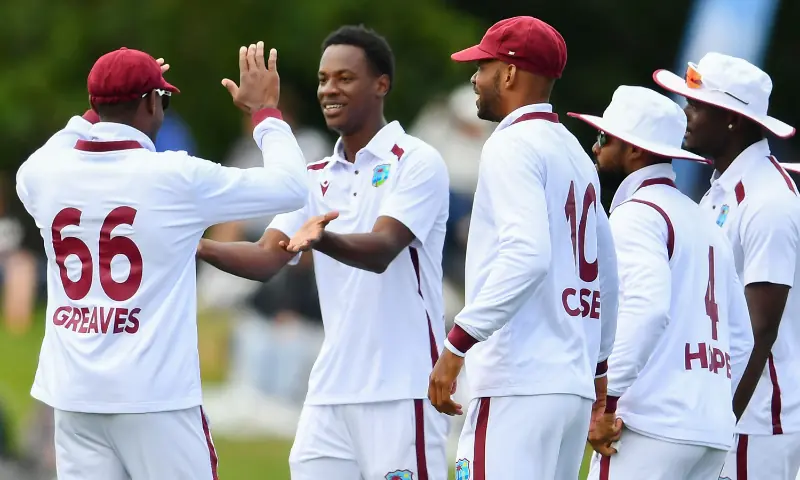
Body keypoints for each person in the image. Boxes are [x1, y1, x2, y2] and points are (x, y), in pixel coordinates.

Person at [15, 43, 308, 480]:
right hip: (155, 397)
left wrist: (106, 100)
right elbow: (291, 185)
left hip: (73, 396)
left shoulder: (42, 174)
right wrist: (265, 111)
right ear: (151, 103)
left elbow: (69, 136)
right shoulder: (175, 177)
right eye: (162, 98)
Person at [198, 25, 450, 479]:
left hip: (401, 390)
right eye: (322, 79)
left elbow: (382, 249)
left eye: (344, 78)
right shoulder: (314, 175)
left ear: (381, 84)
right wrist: (192, 244)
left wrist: (323, 239)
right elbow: (265, 257)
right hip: (329, 394)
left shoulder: (416, 161)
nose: (329, 89)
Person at [426, 16, 618, 479]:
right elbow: (608, 275)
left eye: (484, 66)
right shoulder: (575, 152)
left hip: (520, 379)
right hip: (569, 385)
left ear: (509, 73)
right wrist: (597, 370)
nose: (475, 79)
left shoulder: (510, 143)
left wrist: (457, 344)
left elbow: (526, 255)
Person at [569, 85, 755, 478]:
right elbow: (742, 340)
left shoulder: (637, 214)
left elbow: (647, 310)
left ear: (635, 150)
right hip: (711, 430)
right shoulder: (704, 219)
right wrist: (712, 405)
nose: (595, 148)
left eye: (605, 138)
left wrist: (608, 404)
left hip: (649, 427)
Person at [654, 51, 800, 480]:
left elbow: (761, 328)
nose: (686, 115)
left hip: (755, 421)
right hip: (729, 413)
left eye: (697, 106)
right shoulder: (723, 190)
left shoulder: (768, 202)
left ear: (733, 119)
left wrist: (721, 420)